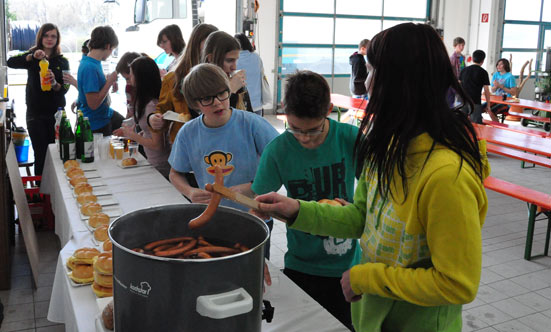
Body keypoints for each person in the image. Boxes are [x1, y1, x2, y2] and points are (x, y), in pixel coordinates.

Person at [254, 23, 489, 332]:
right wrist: (297, 210)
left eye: (371, 70)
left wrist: (367, 278)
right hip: (373, 316)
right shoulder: (388, 147)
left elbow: (457, 283)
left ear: (400, 83)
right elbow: (361, 218)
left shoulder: (447, 176)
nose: (365, 82)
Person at [252, 70, 361, 330]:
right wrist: (257, 256)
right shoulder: (278, 149)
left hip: (349, 266)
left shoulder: (350, 138)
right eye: (295, 128)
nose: (303, 138)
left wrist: (356, 211)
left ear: (329, 111)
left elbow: (379, 198)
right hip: (302, 265)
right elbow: (258, 208)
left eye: (313, 130)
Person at [168, 63, 278, 257]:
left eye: (222, 94)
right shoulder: (188, 133)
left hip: (254, 215)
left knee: (256, 270)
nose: (218, 102)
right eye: (207, 99)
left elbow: (280, 165)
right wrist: (190, 191)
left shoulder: (251, 124)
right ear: (195, 103)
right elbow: (175, 173)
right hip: (212, 220)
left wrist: (252, 186)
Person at [7, 23, 69, 176]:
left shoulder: (62, 61)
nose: (49, 39)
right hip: (35, 115)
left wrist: (54, 83)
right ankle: (40, 194)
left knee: (57, 154)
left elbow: (65, 89)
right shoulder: (32, 56)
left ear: (57, 39)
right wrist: (31, 56)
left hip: (57, 115)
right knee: (41, 155)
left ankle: (56, 193)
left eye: (53, 36)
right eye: (46, 35)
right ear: (40, 37)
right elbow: (10, 62)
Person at [114, 57, 171, 178]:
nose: (129, 77)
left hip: (160, 164)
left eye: (131, 74)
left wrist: (132, 135)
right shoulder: (144, 100)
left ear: (140, 77)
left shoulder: (152, 105)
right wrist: (140, 134)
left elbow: (157, 144)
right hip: (153, 160)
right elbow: (150, 132)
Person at [77, 25, 124, 136]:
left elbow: (93, 86)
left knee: (128, 127)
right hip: (96, 123)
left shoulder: (92, 62)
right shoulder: (90, 67)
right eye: (112, 49)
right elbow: (93, 104)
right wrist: (108, 83)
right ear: (108, 46)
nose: (111, 53)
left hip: (104, 115)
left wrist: (107, 81)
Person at [201, 31, 254, 112]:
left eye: (236, 60)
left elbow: (249, 117)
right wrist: (231, 90)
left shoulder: (237, 84)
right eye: (229, 60)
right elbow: (214, 120)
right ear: (211, 58)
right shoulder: (199, 87)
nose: (234, 67)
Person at [459, 50, 495, 123]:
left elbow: (458, 85)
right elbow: (486, 90)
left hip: (462, 100)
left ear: (472, 59)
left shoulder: (464, 70)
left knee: (461, 123)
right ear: (483, 60)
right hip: (475, 102)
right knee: (476, 125)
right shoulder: (483, 72)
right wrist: (488, 105)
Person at [235, 33, 265, 115]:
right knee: (257, 127)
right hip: (257, 103)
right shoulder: (257, 57)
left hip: (240, 105)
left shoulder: (234, 59)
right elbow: (262, 74)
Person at [115, 52, 142, 118]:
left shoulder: (153, 89)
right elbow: (130, 109)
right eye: (125, 79)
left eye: (128, 79)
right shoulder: (129, 88)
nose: (127, 83)